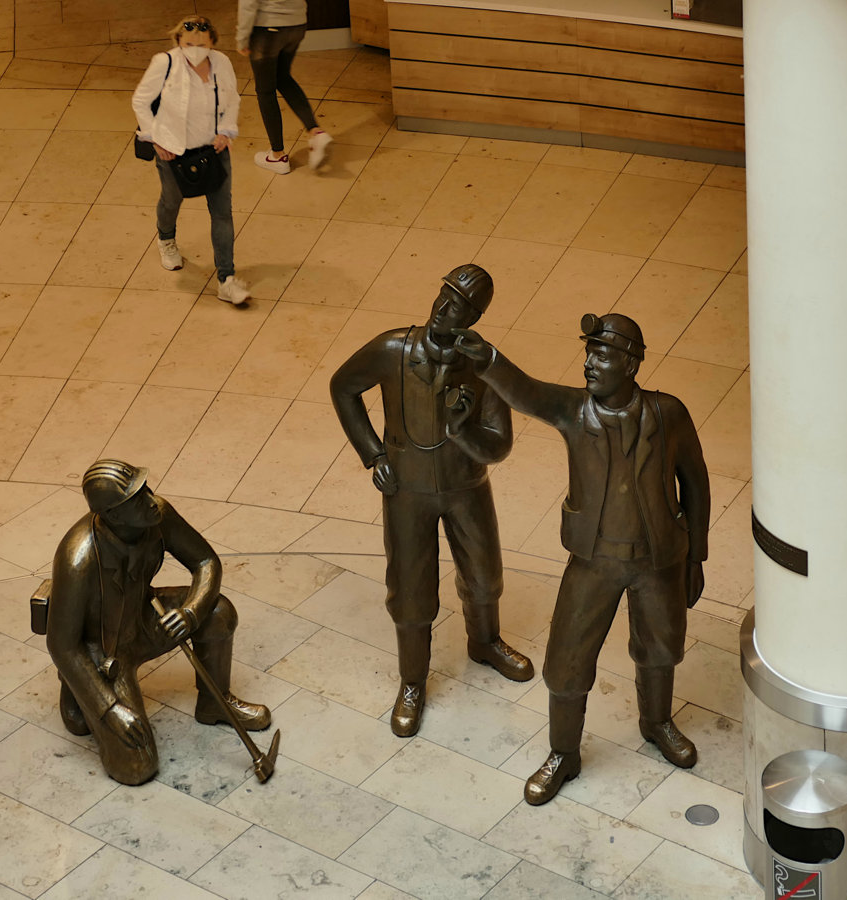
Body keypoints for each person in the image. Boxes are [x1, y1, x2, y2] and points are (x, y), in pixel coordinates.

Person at [452, 313, 710, 805]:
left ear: (630, 364)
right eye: (589, 352)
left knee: (661, 649)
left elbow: (695, 483)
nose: (590, 363)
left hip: (658, 560)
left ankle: (657, 722)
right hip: (594, 561)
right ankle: (563, 753)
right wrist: (487, 359)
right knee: (567, 662)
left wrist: (696, 557)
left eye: (603, 355)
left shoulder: (668, 414)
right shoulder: (574, 410)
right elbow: (526, 392)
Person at [329, 264, 534, 738]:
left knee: (484, 576)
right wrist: (373, 454)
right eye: (443, 296)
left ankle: (484, 641)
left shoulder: (482, 364)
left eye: (458, 306)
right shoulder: (392, 350)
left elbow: (499, 444)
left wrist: (463, 432)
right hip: (408, 491)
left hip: (467, 488)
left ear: (473, 318)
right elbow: (343, 387)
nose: (443, 308)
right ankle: (412, 681)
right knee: (410, 589)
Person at [46, 459, 270, 786]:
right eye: (137, 499)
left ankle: (214, 702)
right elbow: (62, 646)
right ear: (114, 515)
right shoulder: (78, 555)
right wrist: (110, 708)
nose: (152, 500)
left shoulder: (157, 515)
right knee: (137, 767)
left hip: (144, 618)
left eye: (146, 489)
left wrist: (191, 611)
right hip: (103, 653)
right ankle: (78, 696)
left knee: (218, 613)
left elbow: (206, 562)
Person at [131, 15, 251, 305]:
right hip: (173, 151)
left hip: (213, 149)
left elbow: (232, 99)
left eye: (201, 45)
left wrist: (226, 131)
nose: (195, 50)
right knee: (171, 200)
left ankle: (226, 279)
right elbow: (140, 101)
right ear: (179, 42)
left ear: (212, 43)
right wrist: (155, 138)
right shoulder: (165, 63)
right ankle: (166, 238)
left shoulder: (221, 63)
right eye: (188, 44)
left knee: (222, 212)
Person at [236, 0, 332, 174]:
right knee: (283, 78)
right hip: (297, 24)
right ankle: (315, 131)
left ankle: (277, 155)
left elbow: (248, 3)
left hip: (268, 27)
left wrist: (242, 37)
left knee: (265, 90)